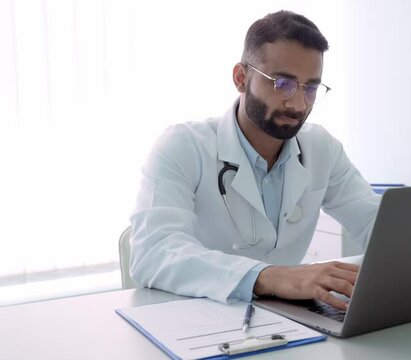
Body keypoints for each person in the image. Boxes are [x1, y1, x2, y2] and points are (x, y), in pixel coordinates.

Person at [129, 10, 380, 311]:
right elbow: (153, 253)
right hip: (197, 315)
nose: (298, 104)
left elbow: (376, 224)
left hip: (287, 319)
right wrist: (269, 277)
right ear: (240, 78)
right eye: (282, 84)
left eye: (311, 88)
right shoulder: (183, 146)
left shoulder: (321, 147)